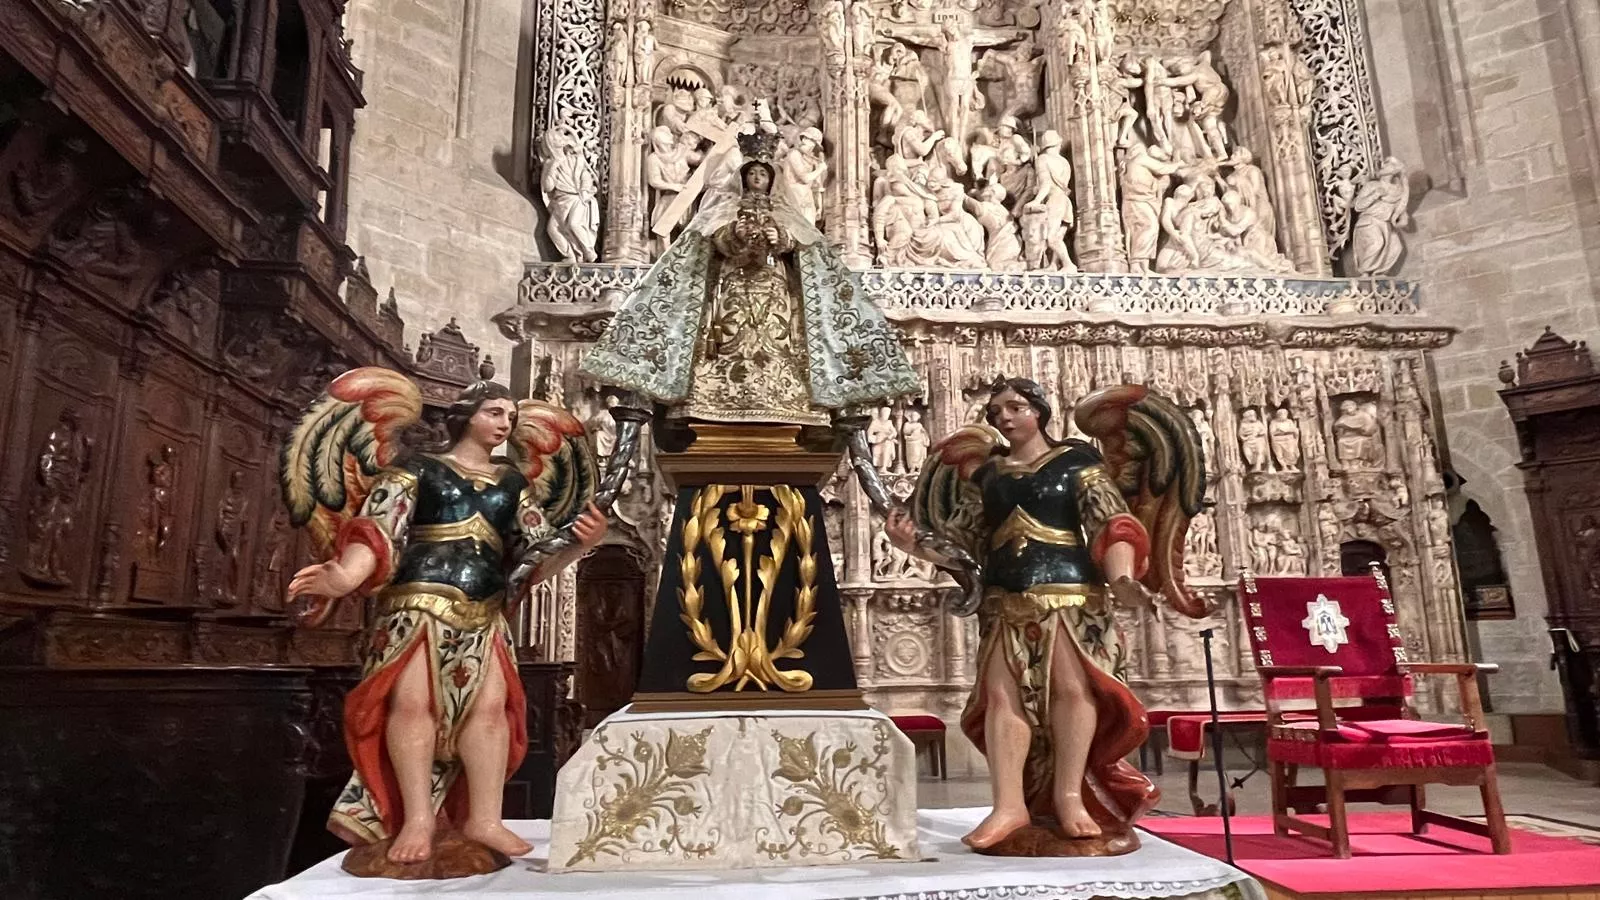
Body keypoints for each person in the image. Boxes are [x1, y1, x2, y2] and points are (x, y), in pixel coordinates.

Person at [285, 376, 607, 866]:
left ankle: (484, 819)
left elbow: (538, 556)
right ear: (466, 416)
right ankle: (417, 819)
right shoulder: (418, 469)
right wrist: (344, 576)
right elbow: (377, 530)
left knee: (490, 713)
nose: (505, 425)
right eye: (494, 413)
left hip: (486, 610)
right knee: (414, 708)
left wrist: (582, 543)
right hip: (418, 604)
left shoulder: (513, 484)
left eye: (510, 417)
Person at [887, 378, 1161, 850]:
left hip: (1070, 594)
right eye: (996, 413)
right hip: (1004, 598)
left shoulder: (1077, 462)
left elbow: (1111, 521)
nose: (1005, 418)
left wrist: (1120, 577)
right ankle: (1009, 805)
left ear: (1040, 410)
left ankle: (1070, 796)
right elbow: (963, 544)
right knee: (1001, 699)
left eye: (1015, 407)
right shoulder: (989, 476)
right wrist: (915, 545)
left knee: (1073, 692)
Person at [579, 122, 920, 424]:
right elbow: (712, 240)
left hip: (775, 286)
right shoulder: (726, 207)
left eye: (763, 175)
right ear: (743, 178)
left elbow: (801, 246)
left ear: (772, 180)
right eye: (752, 174)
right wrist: (733, 235)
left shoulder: (787, 211)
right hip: (732, 283)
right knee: (727, 331)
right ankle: (715, 393)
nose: (757, 179)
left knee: (780, 331)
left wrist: (781, 238)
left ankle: (785, 392)